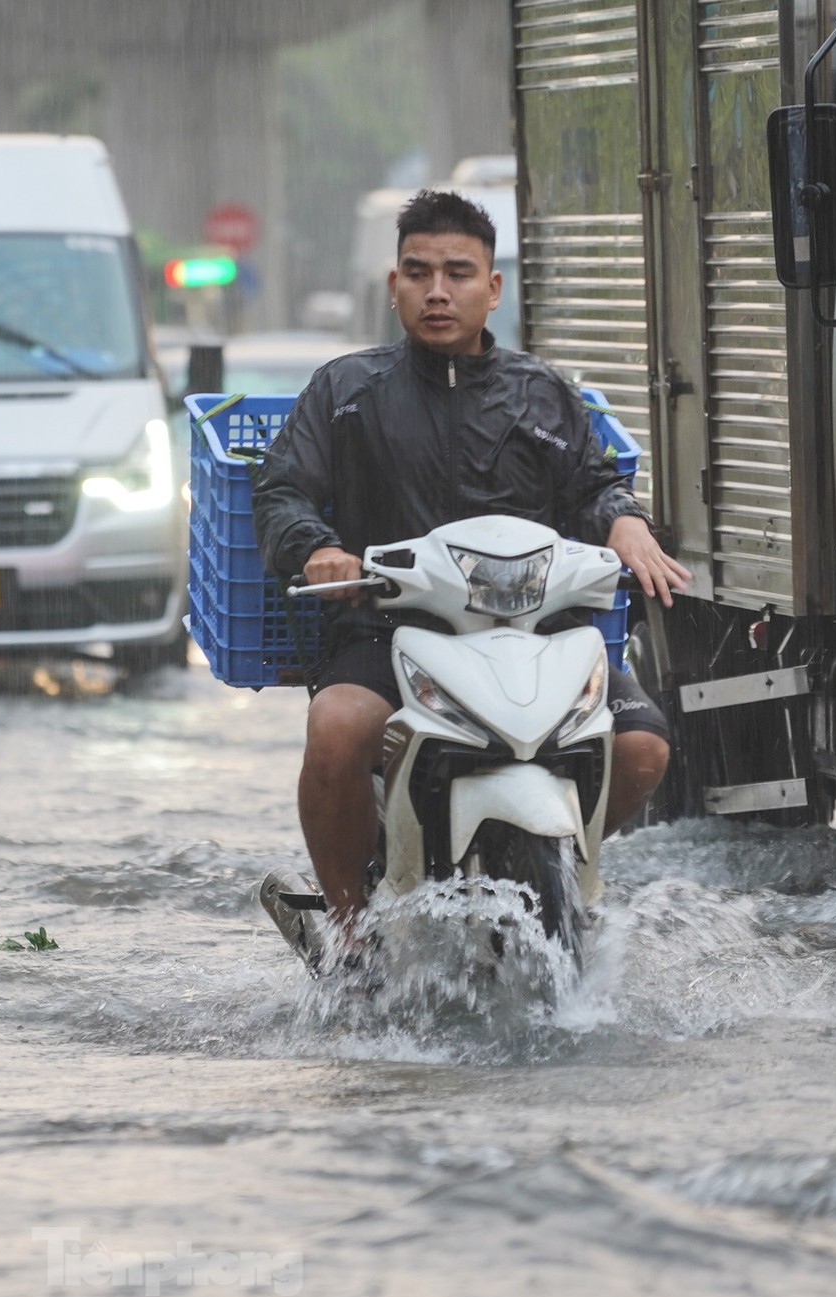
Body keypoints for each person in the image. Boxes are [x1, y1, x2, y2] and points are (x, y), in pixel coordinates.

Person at [252, 189, 692, 938]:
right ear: (392, 286)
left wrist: (625, 523)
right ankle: (353, 933)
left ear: (493, 289)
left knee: (644, 744)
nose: (436, 291)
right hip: (388, 633)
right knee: (335, 727)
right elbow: (281, 489)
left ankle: (547, 858)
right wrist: (316, 547)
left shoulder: (544, 393)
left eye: (458, 273)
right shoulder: (346, 391)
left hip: (533, 637)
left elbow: (594, 485)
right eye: (417, 272)